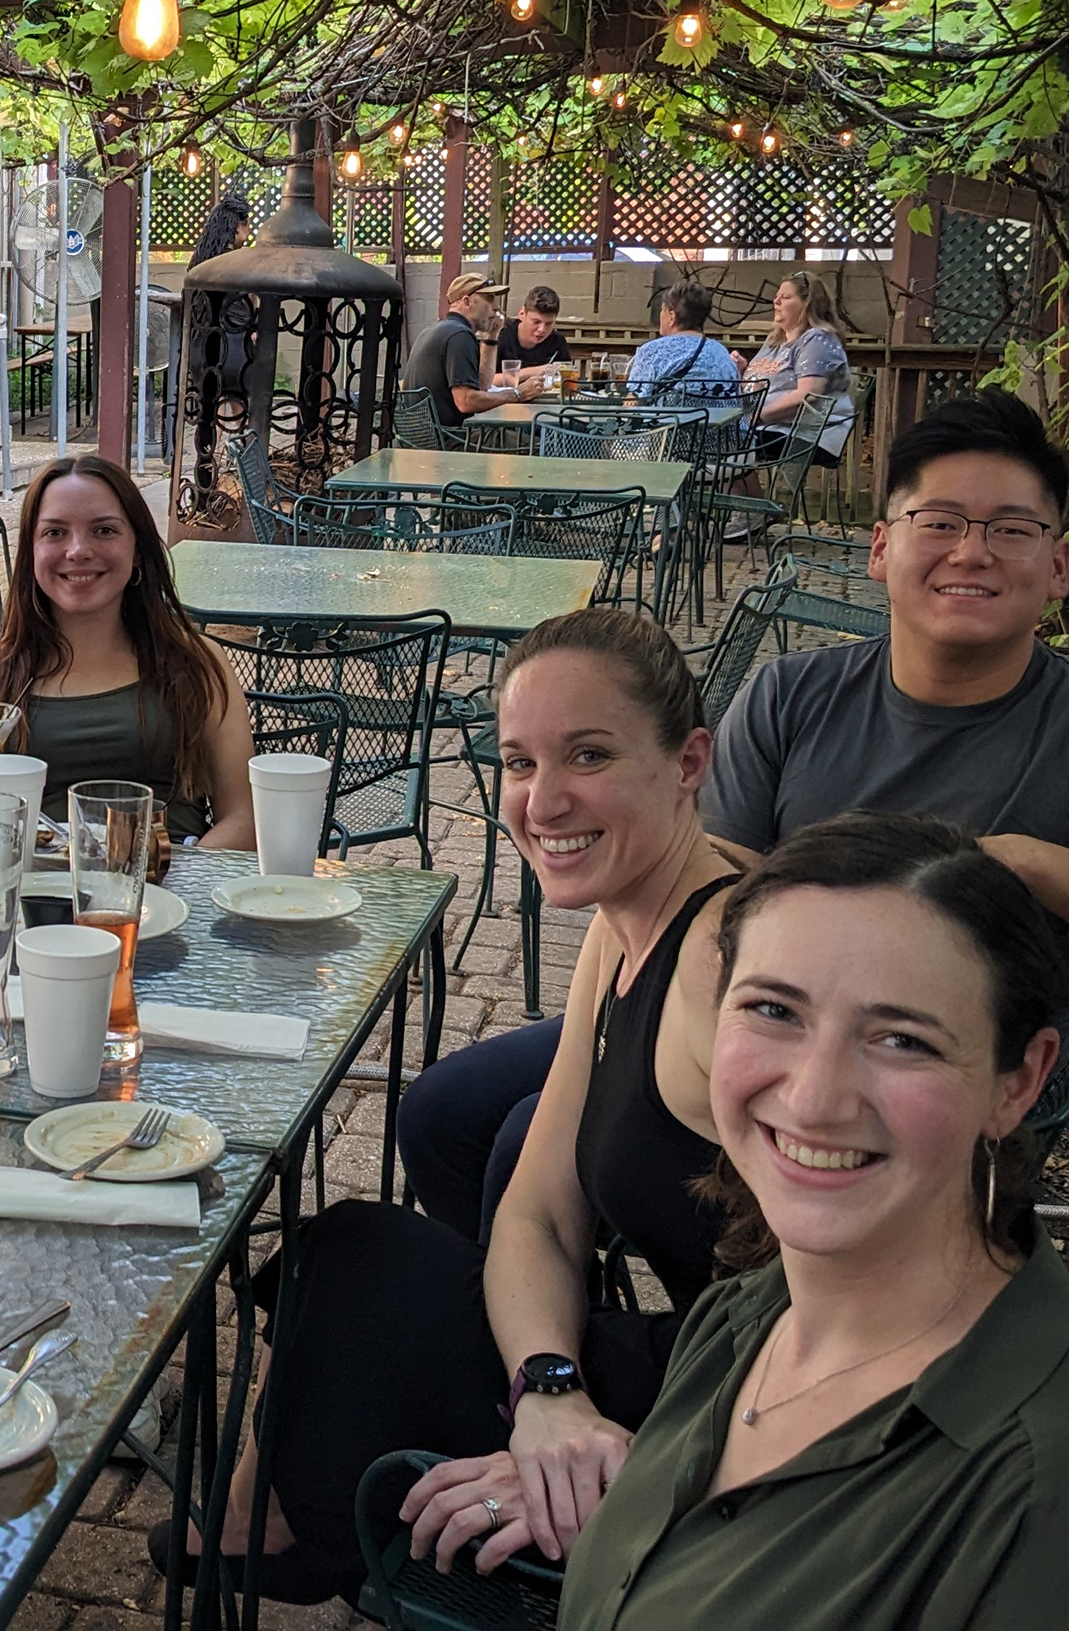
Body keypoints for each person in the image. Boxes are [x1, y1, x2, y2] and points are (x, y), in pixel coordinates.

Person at [420, 812, 1069, 1626]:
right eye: (774, 1011)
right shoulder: (744, 1320)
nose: (813, 1098)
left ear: (1017, 1083)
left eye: (903, 1039)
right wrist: (645, 1509)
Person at [189, 610, 740, 1603]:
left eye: (590, 755)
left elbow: (855, 1333)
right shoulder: (627, 923)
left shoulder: (731, 973)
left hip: (732, 1413)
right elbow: (538, 1212)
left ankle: (301, 1527)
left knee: (356, 1329)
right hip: (669, 1373)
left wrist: (637, 1457)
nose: (544, 799)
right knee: (352, 1248)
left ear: (688, 761)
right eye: (521, 762)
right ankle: (277, 1512)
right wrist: (547, 1387)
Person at [705, 389, 1069, 1017]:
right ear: (880, 550)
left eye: (1012, 530)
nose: (972, 552)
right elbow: (708, 893)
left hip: (968, 1102)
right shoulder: (786, 698)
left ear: (1060, 568)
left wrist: (1031, 866)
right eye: (939, 523)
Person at [0, 455, 255, 845]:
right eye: (55, 533)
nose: (78, 550)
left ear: (137, 548)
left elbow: (244, 820)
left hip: (172, 890)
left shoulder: (196, 662)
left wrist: (162, 890)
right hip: (28, 895)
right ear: (31, 552)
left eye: (103, 530)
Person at [411, 272, 546, 431]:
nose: (497, 307)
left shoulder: (442, 329)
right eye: (489, 299)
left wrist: (491, 337)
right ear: (467, 301)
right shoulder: (458, 336)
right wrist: (518, 394)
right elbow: (466, 402)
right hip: (450, 440)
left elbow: (482, 386)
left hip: (432, 437)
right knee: (540, 447)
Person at [740, 271, 853, 456]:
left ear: (808, 304)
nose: (776, 302)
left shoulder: (817, 339)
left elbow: (808, 395)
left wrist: (758, 416)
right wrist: (742, 370)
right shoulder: (775, 341)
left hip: (802, 434)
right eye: (776, 297)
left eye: (785, 297)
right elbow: (756, 385)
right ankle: (742, 485)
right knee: (712, 440)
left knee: (720, 444)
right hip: (767, 427)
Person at [623, 281, 742, 414]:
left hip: (668, 432)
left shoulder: (652, 351)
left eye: (663, 310)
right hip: (719, 433)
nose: (660, 315)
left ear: (672, 316)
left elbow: (633, 405)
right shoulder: (721, 351)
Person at [493, 285, 573, 388]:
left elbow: (566, 381)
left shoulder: (557, 342)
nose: (542, 329)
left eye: (549, 324)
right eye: (536, 322)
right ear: (522, 313)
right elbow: (484, 381)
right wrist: (535, 371)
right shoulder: (501, 334)